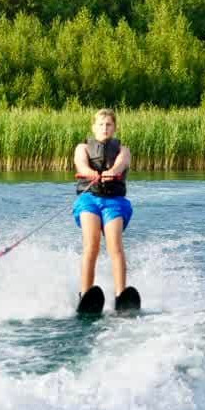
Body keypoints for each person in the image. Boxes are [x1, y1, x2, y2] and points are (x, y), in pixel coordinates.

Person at [74, 108, 132, 301]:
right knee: (92, 245)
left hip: (114, 202)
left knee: (115, 246)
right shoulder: (82, 148)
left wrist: (113, 170)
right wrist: (89, 172)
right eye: (101, 124)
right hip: (89, 199)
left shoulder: (123, 150)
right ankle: (85, 294)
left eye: (108, 125)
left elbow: (121, 163)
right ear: (94, 127)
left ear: (114, 128)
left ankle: (120, 295)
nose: (104, 128)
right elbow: (81, 164)